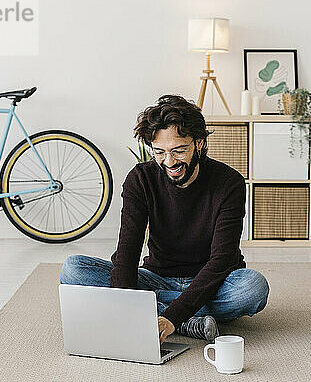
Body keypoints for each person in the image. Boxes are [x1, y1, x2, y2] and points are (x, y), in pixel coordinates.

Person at [60, 95, 269, 343]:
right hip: (156, 276)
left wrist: (170, 315)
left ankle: (160, 312)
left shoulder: (228, 183)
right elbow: (127, 251)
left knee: (253, 288)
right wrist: (125, 303)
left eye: (179, 151)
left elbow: (222, 261)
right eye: (159, 152)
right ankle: (189, 321)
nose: (169, 162)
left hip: (213, 280)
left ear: (199, 143)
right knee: (74, 270)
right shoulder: (141, 179)